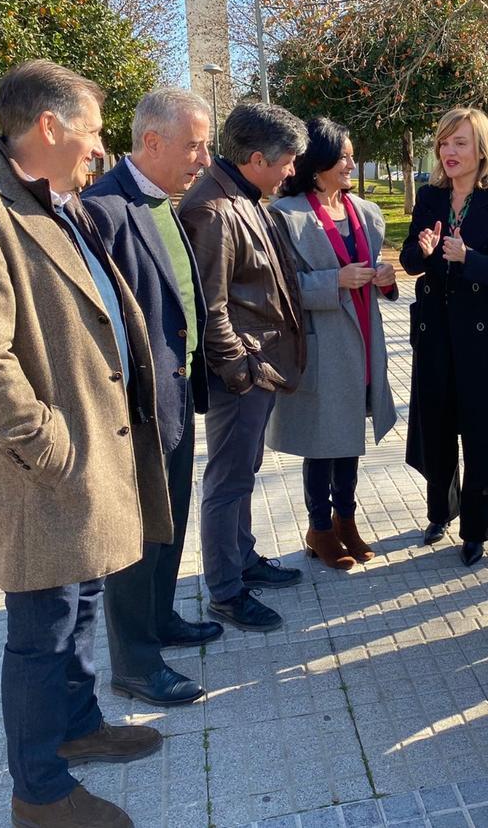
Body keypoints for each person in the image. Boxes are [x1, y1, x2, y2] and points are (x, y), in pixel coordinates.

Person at [0, 60, 169, 827]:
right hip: (44, 474)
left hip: (91, 460)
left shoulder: (56, 204)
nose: (100, 149)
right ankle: (41, 795)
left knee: (81, 604)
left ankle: (80, 728)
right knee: (41, 633)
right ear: (49, 127)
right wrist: (50, 447)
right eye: (91, 133)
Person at [82, 88, 223, 708]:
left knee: (168, 523)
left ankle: (161, 619)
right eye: (194, 144)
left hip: (176, 390)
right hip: (135, 407)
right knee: (137, 538)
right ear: (152, 142)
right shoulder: (103, 209)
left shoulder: (167, 201)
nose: (204, 156)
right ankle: (135, 663)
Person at [179, 102, 308, 633]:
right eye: (287, 162)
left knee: (243, 472)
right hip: (243, 371)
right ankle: (226, 591)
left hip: (259, 365)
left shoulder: (243, 196)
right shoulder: (211, 208)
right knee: (228, 480)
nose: (292, 172)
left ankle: (244, 558)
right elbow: (209, 307)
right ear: (257, 158)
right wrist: (238, 369)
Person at [267, 117, 399, 569]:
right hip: (323, 346)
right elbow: (277, 289)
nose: (351, 162)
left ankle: (347, 521)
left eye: (351, 154)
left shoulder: (364, 211)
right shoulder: (286, 216)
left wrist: (383, 277)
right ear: (317, 161)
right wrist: (334, 281)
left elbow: (375, 266)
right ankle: (319, 528)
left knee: (350, 438)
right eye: (343, 155)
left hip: (364, 340)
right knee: (322, 440)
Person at [399, 107, 488, 567]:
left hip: (484, 339)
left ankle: (475, 528)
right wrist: (424, 250)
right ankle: (439, 512)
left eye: (460, 143)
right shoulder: (430, 197)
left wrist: (467, 257)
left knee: (480, 431)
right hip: (434, 334)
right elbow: (411, 259)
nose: (450, 152)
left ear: (481, 149)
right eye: (445, 143)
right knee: (436, 426)